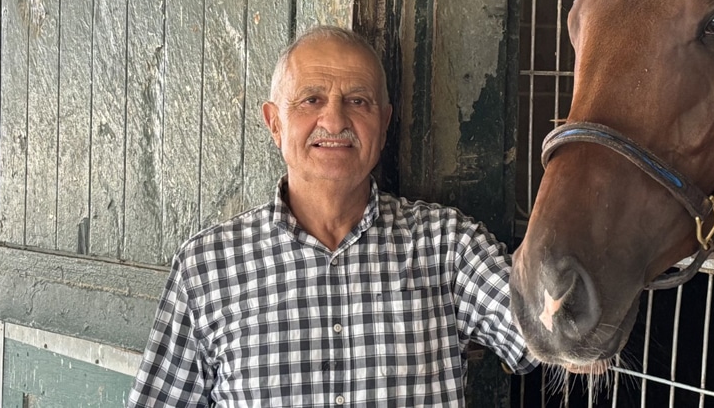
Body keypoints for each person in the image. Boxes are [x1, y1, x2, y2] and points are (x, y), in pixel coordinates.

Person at [128, 25, 536, 407]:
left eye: (358, 101)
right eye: (312, 100)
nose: (336, 120)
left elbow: (552, 331)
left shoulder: (449, 247)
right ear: (274, 123)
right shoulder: (207, 267)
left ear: (385, 121)